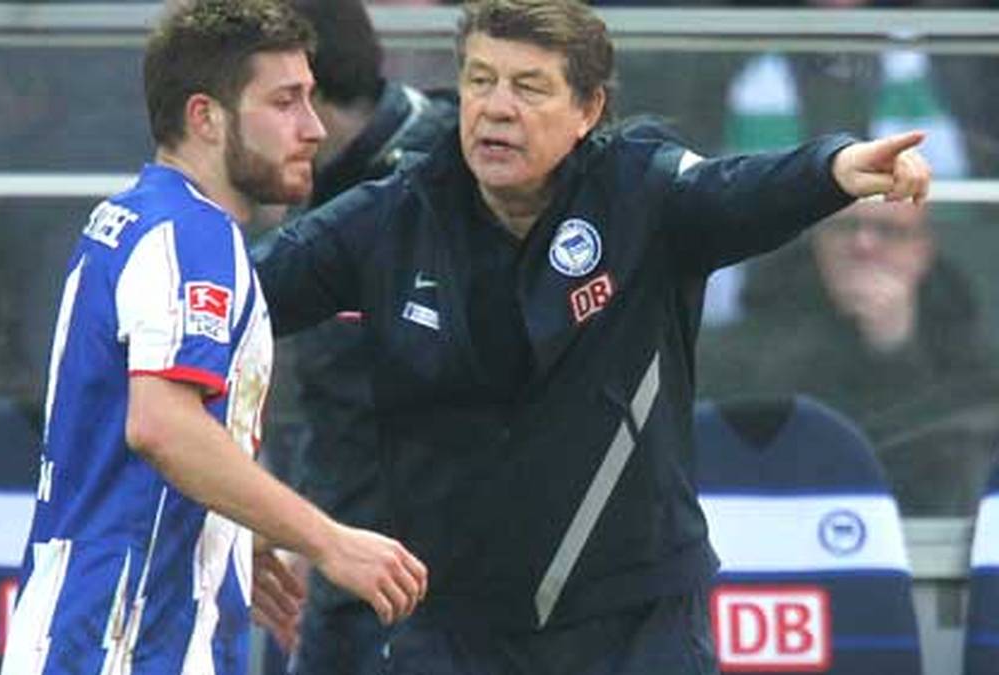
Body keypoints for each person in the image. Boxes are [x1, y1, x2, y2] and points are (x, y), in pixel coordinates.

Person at [252, 0, 931, 672]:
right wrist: (248, 511)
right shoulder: (394, 215)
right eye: (480, 80)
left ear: (586, 110)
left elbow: (738, 187)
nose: (495, 106)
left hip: (637, 622)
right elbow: (234, 305)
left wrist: (835, 169)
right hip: (453, 627)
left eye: (529, 86)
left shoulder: (641, 191)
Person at [0, 2, 428, 673]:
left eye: (311, 100)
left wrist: (236, 524)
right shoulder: (194, 236)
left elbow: (148, 433)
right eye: (285, 102)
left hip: (99, 629)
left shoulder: (137, 217)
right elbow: (163, 425)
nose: (312, 128)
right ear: (205, 116)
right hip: (126, 642)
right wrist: (328, 540)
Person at [246, 1, 458, 672]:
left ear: (305, 95)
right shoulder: (305, 189)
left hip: (438, 581)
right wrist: (301, 532)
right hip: (337, 561)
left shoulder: (456, 175)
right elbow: (333, 397)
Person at [698, 201, 999, 515]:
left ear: (922, 250)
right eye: (845, 227)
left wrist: (894, 351)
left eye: (889, 231)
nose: (863, 244)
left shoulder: (968, 354)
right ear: (816, 240)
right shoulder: (742, 342)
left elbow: (953, 471)